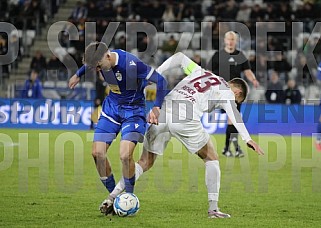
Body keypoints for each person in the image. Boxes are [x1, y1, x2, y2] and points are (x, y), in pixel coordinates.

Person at [101, 52, 264, 218]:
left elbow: (178, 57)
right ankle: (213, 209)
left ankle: (112, 196)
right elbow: (234, 114)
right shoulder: (228, 92)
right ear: (237, 92)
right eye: (238, 101)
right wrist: (247, 138)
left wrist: (156, 73)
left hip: (162, 111)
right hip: (185, 117)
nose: (234, 103)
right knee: (212, 158)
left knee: (144, 162)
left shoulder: (201, 71)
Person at [68, 42, 168, 211]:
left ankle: (129, 197)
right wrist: (78, 74)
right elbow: (90, 63)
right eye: (95, 68)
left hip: (134, 111)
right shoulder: (100, 59)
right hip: (112, 108)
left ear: (108, 56)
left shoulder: (131, 64)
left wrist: (157, 107)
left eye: (99, 66)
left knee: (124, 155)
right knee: (97, 153)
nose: (98, 70)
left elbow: (161, 81)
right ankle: (114, 198)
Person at [207, 31, 260, 158]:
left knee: (232, 121)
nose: (230, 41)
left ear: (235, 41)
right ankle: (231, 149)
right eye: (228, 39)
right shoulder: (218, 55)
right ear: (224, 40)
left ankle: (229, 149)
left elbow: (247, 71)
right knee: (233, 121)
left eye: (233, 39)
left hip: (235, 94)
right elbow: (208, 72)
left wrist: (253, 80)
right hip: (219, 93)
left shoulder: (240, 55)